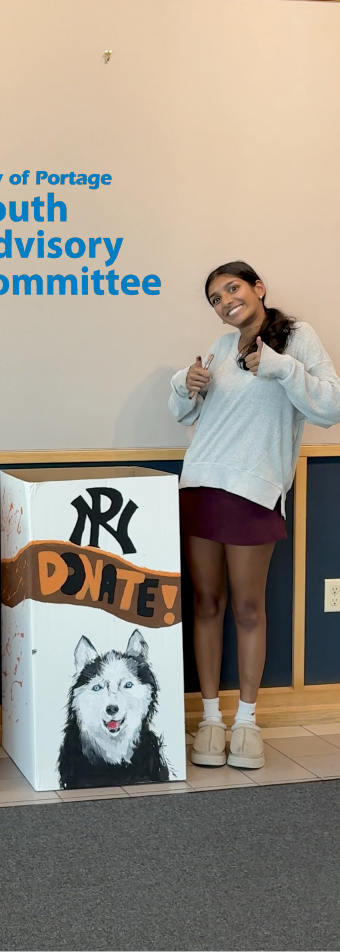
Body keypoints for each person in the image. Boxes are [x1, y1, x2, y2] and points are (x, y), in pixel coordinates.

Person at [169, 261, 340, 769]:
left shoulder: (297, 339)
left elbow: (330, 407)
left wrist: (281, 368)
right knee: (205, 605)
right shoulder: (221, 349)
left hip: (254, 491)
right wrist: (187, 382)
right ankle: (209, 720)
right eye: (216, 298)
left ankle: (246, 722)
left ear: (258, 288)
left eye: (232, 289)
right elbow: (187, 413)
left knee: (248, 609)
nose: (225, 301)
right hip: (200, 483)